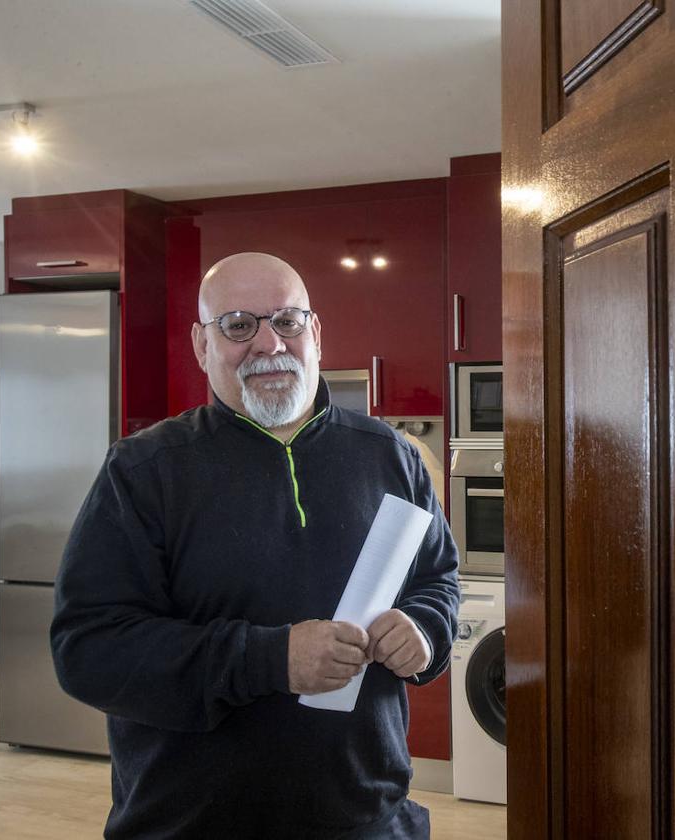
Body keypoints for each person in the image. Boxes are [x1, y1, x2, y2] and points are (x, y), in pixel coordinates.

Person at [51, 252, 459, 839]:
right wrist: (270, 660)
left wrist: (425, 628)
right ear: (201, 345)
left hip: (368, 817)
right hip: (188, 822)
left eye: (288, 321)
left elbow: (437, 579)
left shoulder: (389, 455)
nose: (269, 344)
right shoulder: (144, 470)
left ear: (314, 332)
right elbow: (87, 650)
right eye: (239, 325)